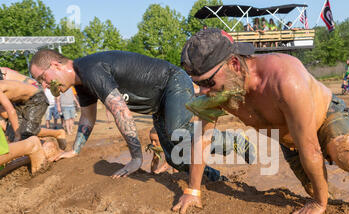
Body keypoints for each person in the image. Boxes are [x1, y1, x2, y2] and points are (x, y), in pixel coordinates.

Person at [177, 28, 349, 214]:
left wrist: (319, 203)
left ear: (234, 65)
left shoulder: (283, 78)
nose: (203, 91)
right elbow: (201, 138)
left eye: (208, 82)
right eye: (198, 83)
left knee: (348, 156)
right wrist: (193, 191)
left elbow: (310, 147)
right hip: (289, 139)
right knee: (315, 185)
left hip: (324, 116)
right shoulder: (220, 92)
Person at [29, 49, 255, 181]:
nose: (45, 85)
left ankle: (235, 141)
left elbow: (121, 111)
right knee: (175, 158)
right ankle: (214, 178)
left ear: (56, 65)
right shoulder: (83, 84)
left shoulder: (89, 69)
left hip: (172, 82)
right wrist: (75, 150)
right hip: (158, 103)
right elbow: (88, 118)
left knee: (180, 136)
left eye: (43, 78)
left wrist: (136, 157)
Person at [0, 80, 66, 148]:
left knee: (26, 132)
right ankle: (39, 142)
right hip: (19, 102)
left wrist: (17, 135)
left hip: (36, 97)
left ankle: (58, 134)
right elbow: (5, 116)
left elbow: (11, 111)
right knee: (12, 133)